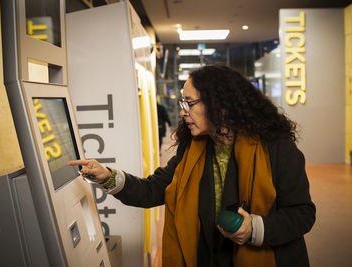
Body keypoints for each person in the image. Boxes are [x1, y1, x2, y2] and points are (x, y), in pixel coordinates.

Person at [69, 64, 316, 267]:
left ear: (220, 104)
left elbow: (303, 213)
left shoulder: (275, 147)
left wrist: (255, 228)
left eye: (190, 103)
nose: (183, 111)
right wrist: (106, 176)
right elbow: (152, 190)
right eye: (181, 103)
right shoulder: (193, 149)